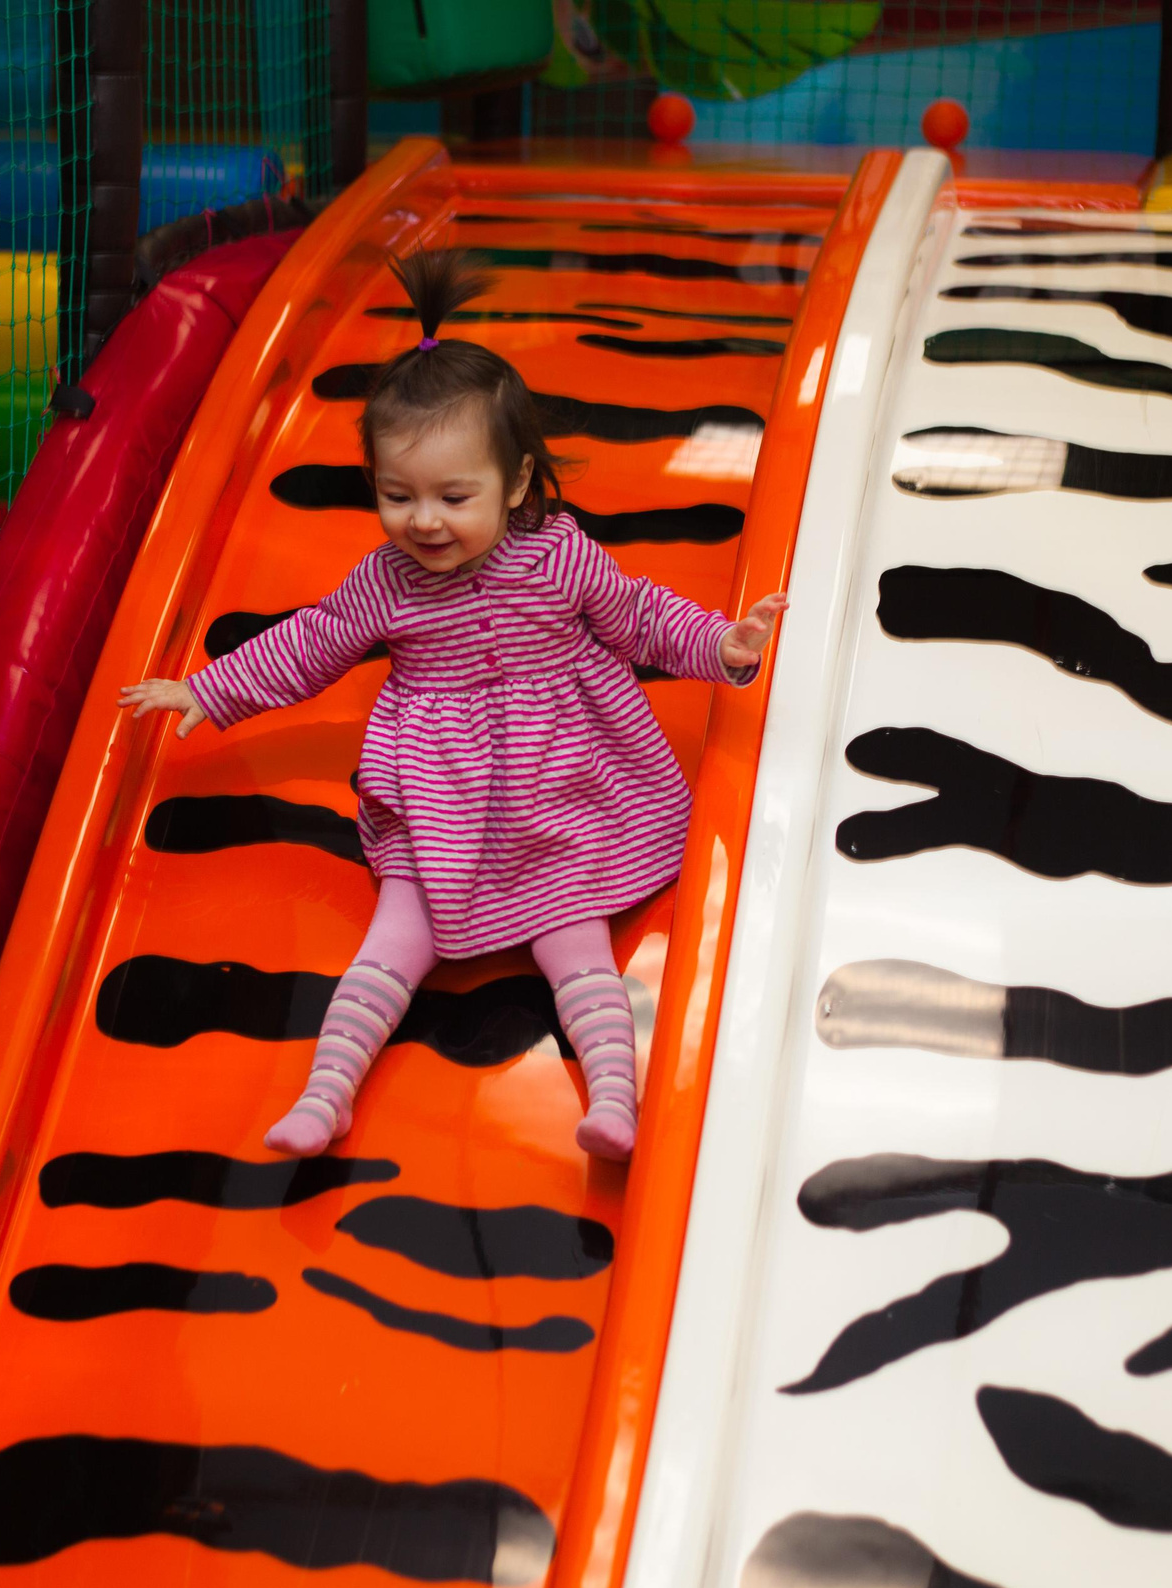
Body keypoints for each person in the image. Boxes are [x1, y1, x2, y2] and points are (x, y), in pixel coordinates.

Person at [120, 248, 784, 1160]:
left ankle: (615, 1103)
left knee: (574, 940)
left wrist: (721, 645)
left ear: (514, 486)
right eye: (397, 496)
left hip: (560, 790)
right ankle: (325, 1094)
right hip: (443, 797)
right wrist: (210, 686)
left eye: (452, 496)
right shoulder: (386, 580)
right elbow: (314, 640)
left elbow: (638, 617)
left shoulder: (556, 555)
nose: (424, 520)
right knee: (396, 935)